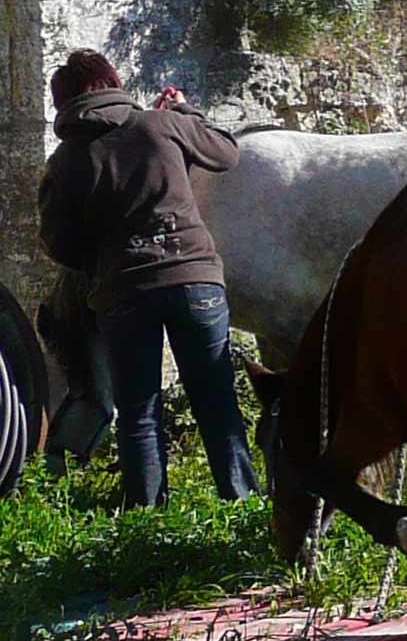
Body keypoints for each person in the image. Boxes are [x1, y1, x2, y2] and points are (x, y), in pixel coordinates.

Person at [37, 52, 256, 507]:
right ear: (112, 82)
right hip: (193, 276)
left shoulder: (63, 163)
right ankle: (241, 506)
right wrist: (184, 112)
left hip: (122, 294)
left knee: (138, 413)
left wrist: (100, 264)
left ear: (64, 103)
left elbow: (57, 243)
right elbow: (226, 152)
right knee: (216, 399)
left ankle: (148, 519)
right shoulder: (160, 124)